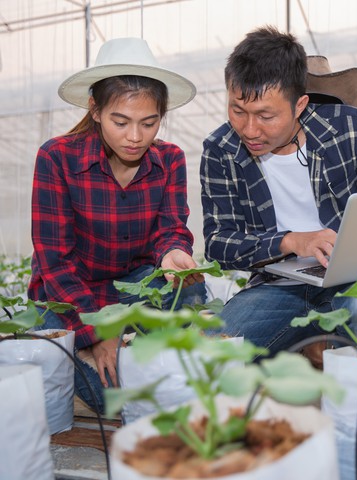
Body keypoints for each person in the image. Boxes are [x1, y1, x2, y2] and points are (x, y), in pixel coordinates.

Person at [200, 26, 357, 358]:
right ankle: (316, 348)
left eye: (266, 116)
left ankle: (332, 367)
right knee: (212, 355)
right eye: (237, 110)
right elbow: (219, 243)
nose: (249, 129)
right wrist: (292, 241)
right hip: (277, 286)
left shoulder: (348, 128)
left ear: (300, 104)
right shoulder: (221, 150)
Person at [28, 37, 206, 413]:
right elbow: (54, 263)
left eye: (149, 122)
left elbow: (171, 228)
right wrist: (97, 332)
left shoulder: (170, 158)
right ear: (95, 110)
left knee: (188, 294)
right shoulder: (56, 157)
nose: (136, 137)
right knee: (110, 397)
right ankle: (117, 364)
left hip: (131, 290)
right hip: (69, 294)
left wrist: (173, 251)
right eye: (120, 121)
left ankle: (134, 362)